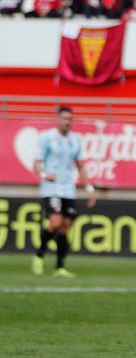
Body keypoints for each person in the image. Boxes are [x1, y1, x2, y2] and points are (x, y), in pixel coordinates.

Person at [32, 106, 96, 277]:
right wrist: (45, 175)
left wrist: (89, 188)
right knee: (55, 222)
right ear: (58, 119)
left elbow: (80, 165)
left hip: (69, 189)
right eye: (64, 118)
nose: (67, 122)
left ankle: (60, 267)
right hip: (52, 188)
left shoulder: (75, 140)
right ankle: (39, 255)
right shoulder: (47, 138)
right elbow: (37, 163)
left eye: (70, 119)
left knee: (66, 226)